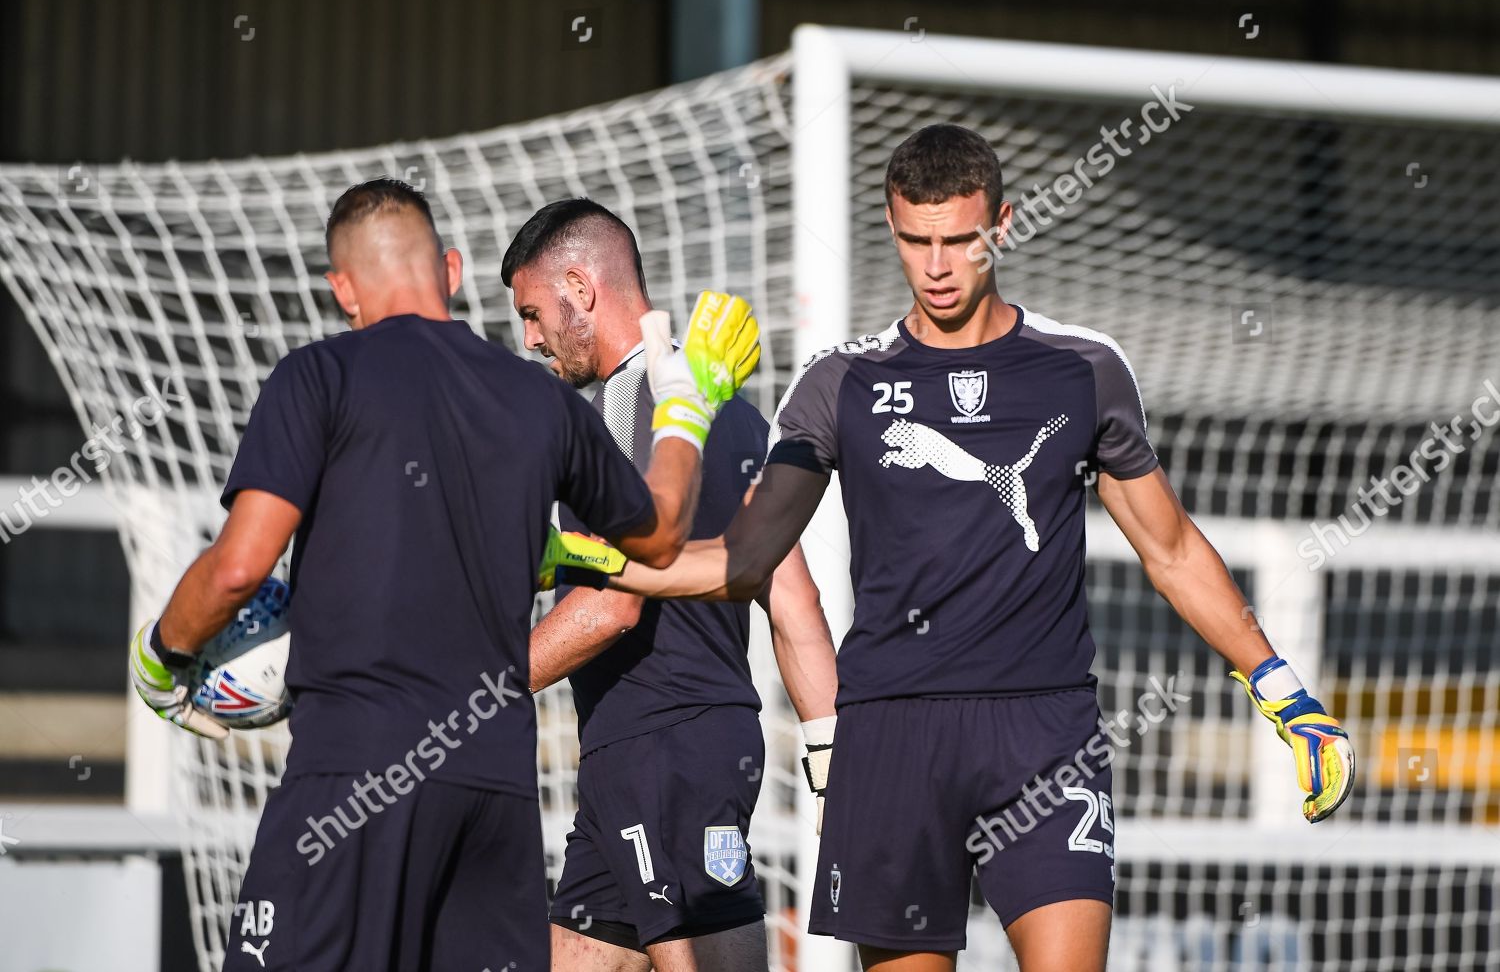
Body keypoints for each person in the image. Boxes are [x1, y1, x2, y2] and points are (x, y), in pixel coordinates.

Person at [576, 125, 1355, 972]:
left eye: (959, 241)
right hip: (893, 738)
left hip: (1044, 731)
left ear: (1004, 224)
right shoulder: (840, 381)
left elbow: (1169, 550)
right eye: (916, 241)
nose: (937, 266)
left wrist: (1285, 693)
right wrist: (587, 559)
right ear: (891, 227)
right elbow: (745, 558)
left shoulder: (1082, 368)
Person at [126, 177, 760, 971]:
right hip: (493, 791)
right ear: (452, 272)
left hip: (356, 772)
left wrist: (162, 655)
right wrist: (683, 400)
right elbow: (662, 534)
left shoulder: (318, 376)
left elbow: (238, 568)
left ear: (342, 288)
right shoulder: (542, 403)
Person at [502, 198, 840, 972]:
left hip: (665, 749)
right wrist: (832, 770)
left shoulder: (621, 408)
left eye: (531, 312)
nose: (529, 339)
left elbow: (614, 605)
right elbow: (796, 604)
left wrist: (477, 688)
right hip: (663, 747)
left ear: (581, 289)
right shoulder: (737, 416)